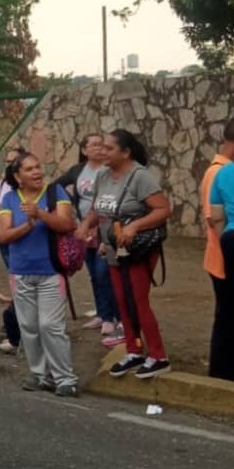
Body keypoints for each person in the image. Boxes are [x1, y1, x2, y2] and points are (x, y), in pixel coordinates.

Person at [78, 130, 172, 379]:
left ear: (125, 152)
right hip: (112, 249)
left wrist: (134, 226)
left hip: (137, 250)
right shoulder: (102, 176)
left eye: (108, 148)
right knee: (122, 301)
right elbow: (98, 209)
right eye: (101, 148)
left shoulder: (140, 177)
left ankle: (158, 356)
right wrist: (86, 226)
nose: (102, 152)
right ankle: (134, 350)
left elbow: (163, 210)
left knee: (138, 301)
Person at [0, 153, 79, 397]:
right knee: (29, 326)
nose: (36, 172)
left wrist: (40, 214)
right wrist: (27, 226)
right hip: (21, 272)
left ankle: (65, 378)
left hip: (51, 271)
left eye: (38, 167)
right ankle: (40, 375)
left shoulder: (56, 193)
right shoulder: (9, 199)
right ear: (17, 176)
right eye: (29, 169)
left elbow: (67, 225)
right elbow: (4, 236)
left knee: (50, 326)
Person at [57, 134, 121, 341]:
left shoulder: (109, 170)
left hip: (104, 229)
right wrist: (67, 206)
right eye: (93, 145)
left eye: (101, 144)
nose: (98, 148)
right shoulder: (78, 171)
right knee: (94, 273)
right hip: (83, 229)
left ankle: (114, 317)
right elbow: (56, 186)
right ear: (84, 150)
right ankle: (102, 314)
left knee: (105, 273)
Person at [205, 118, 234, 382]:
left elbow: (215, 217)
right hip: (222, 252)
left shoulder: (222, 173)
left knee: (227, 312)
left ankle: (221, 371)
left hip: (229, 241)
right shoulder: (219, 170)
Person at [0, 147, 26, 353]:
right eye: (8, 161)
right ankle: (16, 326)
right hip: (6, 240)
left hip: (23, 243)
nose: (10, 164)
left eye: (15, 161)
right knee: (15, 280)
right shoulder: (3, 184)